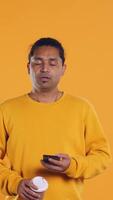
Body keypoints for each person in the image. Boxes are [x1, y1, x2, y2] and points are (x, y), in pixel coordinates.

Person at [0, 37, 112, 200]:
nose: (45, 69)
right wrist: (15, 184)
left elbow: (102, 156)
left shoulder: (82, 108)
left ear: (63, 68)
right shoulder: (7, 110)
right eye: (38, 62)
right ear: (28, 67)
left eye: (52, 63)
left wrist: (72, 165)